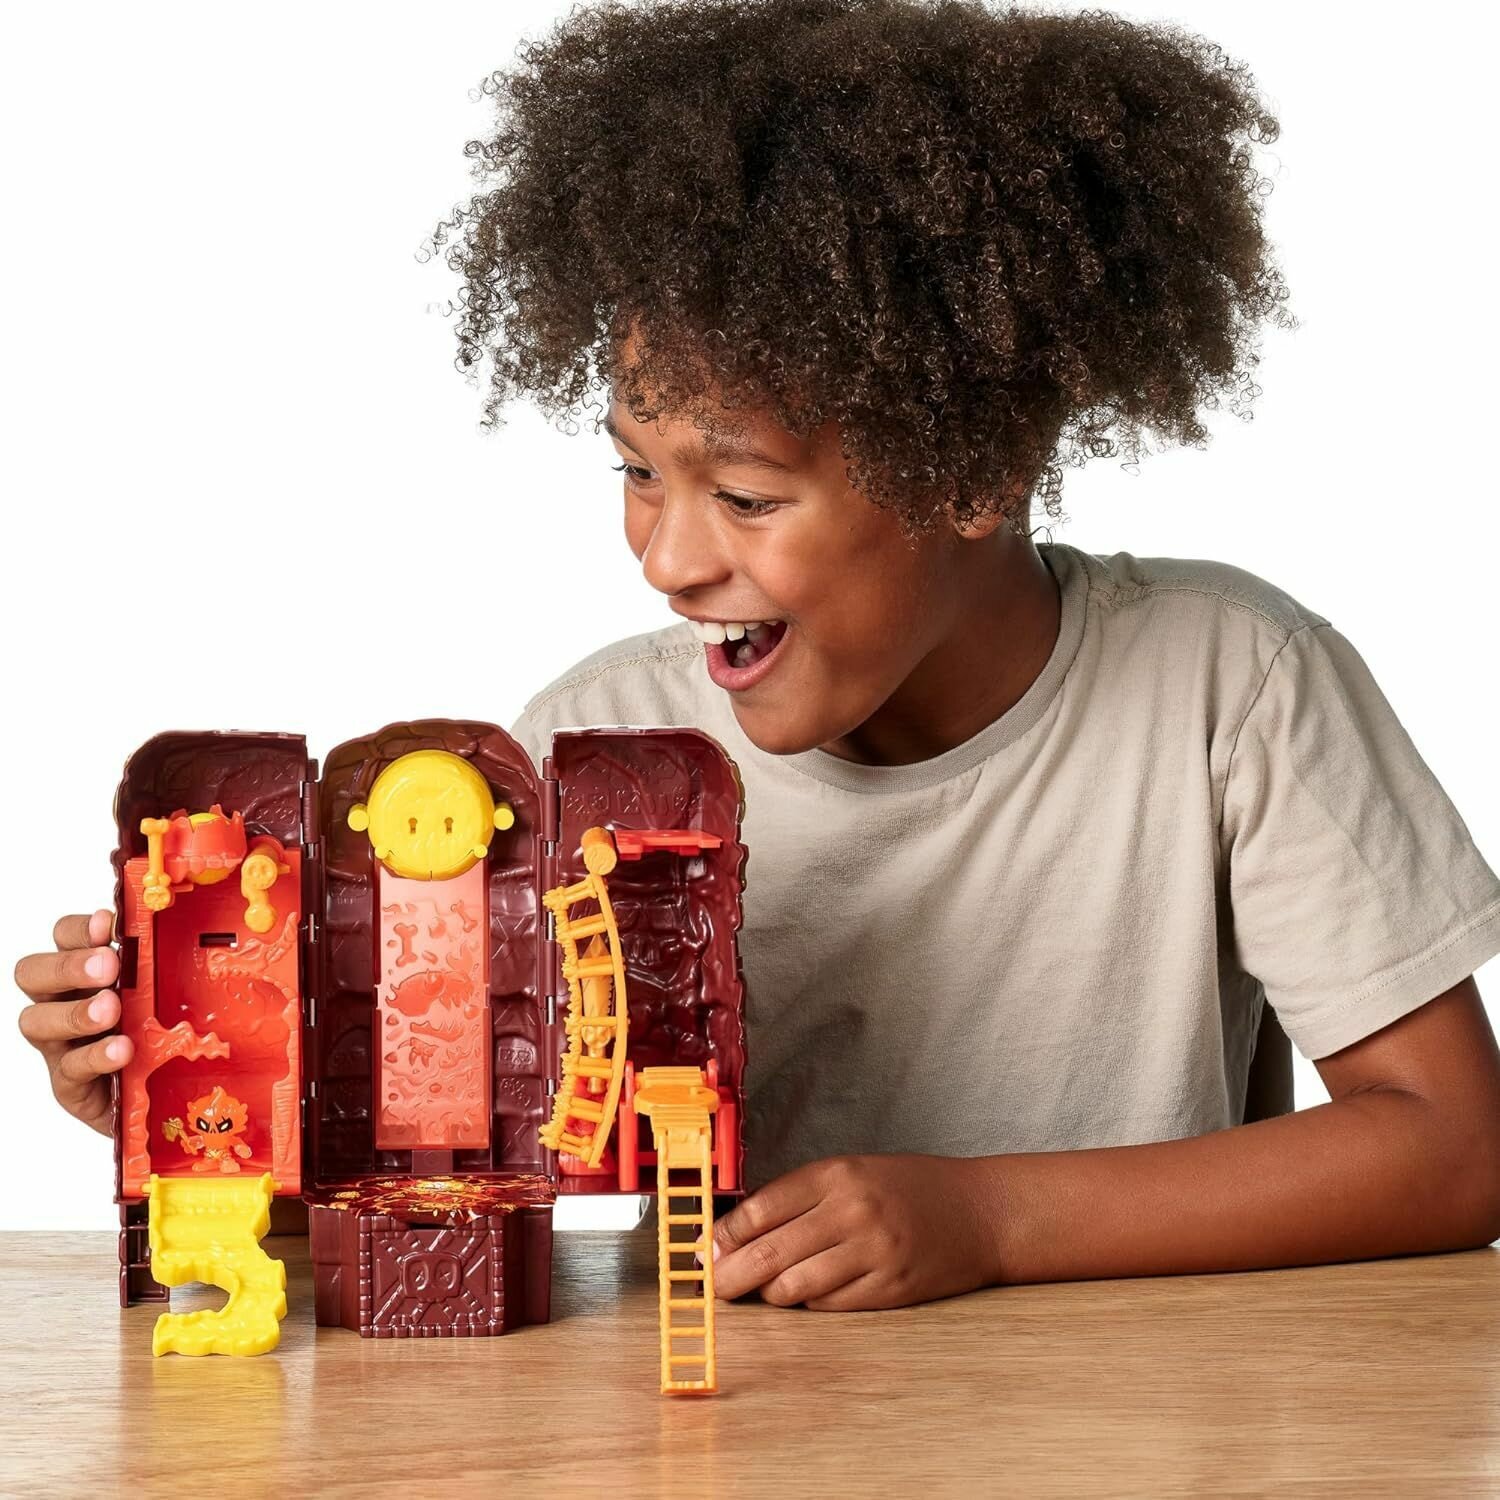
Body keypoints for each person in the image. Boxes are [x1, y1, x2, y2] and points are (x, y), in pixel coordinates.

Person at [16, 0, 1500, 1312]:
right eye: (636, 473)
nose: (667, 558)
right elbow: (440, 1176)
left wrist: (988, 1220)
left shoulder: (1234, 685)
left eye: (744, 495)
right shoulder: (589, 754)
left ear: (975, 472)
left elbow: (1455, 1148)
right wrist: (196, 1094)